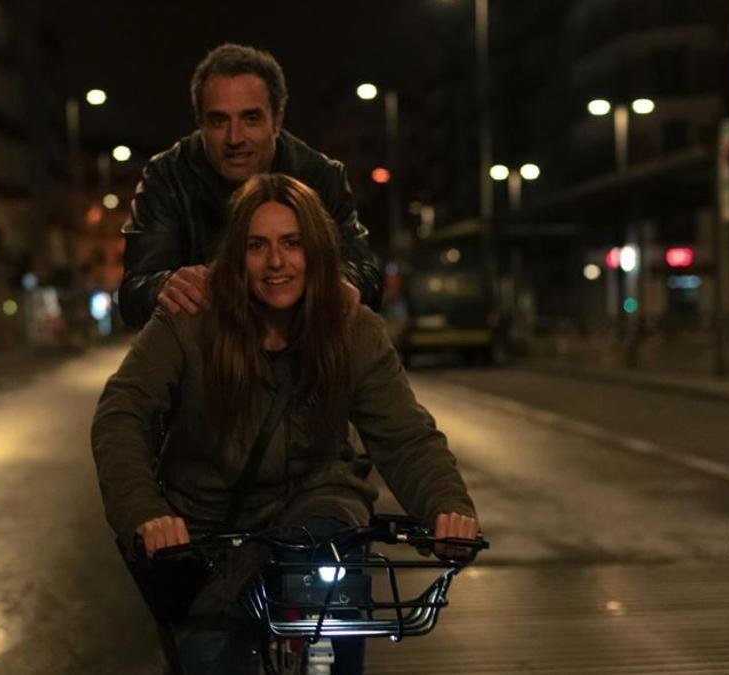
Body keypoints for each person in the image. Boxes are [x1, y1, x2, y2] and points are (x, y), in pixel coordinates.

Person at [93, 174, 479, 674]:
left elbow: (405, 435)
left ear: (317, 252)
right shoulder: (190, 319)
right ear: (237, 255)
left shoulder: (353, 328)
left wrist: (448, 508)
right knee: (212, 660)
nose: (277, 261)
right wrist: (146, 514)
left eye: (293, 243)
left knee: (335, 609)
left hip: (314, 506)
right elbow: (121, 414)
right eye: (257, 246)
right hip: (211, 533)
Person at [118, 43, 383, 330]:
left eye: (251, 118)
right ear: (200, 123)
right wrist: (165, 286)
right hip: (204, 346)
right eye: (218, 121)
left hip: (302, 344)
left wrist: (330, 284)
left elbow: (367, 278)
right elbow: (134, 294)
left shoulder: (321, 176)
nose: (234, 138)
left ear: (277, 120)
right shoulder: (167, 176)